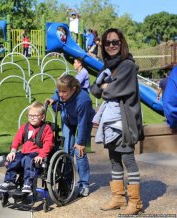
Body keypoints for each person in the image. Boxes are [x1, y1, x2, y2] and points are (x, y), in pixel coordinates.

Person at [90, 28, 144, 215]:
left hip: (125, 121)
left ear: (121, 44)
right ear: (103, 46)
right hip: (111, 122)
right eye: (107, 43)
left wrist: (106, 85)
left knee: (128, 159)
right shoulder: (107, 65)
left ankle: (135, 201)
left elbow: (112, 90)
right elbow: (94, 89)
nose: (111, 45)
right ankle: (118, 197)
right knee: (114, 160)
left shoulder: (127, 65)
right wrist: (105, 85)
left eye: (115, 42)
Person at [46, 74, 95, 197]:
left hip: (84, 122)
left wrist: (80, 143)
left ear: (73, 89)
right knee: (67, 151)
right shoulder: (61, 90)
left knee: (80, 152)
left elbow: (83, 124)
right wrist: (53, 99)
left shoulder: (84, 100)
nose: (61, 94)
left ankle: (84, 184)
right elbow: (57, 95)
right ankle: (66, 183)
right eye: (59, 91)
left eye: (64, 92)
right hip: (67, 120)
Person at [0, 101, 54, 193]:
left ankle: (27, 182)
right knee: (13, 159)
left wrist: (41, 155)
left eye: (35, 116)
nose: (32, 118)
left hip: (37, 153)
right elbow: (17, 139)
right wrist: (13, 151)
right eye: (30, 115)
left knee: (28, 159)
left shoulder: (46, 128)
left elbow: (48, 144)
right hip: (24, 152)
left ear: (42, 116)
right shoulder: (25, 127)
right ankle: (9, 182)